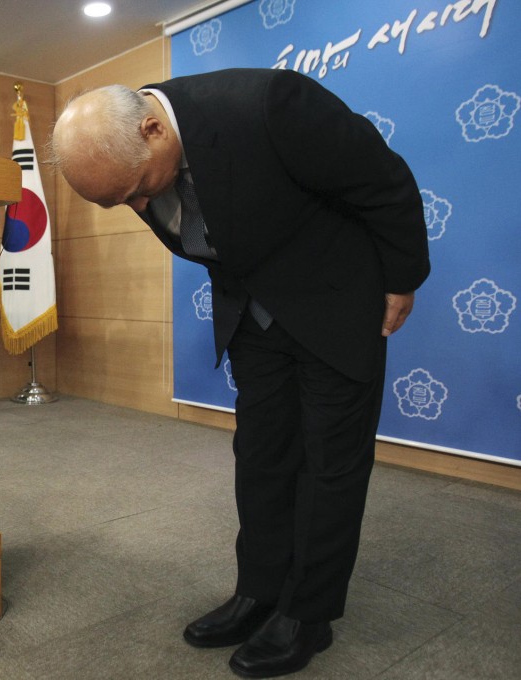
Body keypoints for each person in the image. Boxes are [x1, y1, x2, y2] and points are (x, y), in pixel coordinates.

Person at [50, 69, 430, 677]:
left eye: (136, 188)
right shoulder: (131, 162)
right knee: (261, 456)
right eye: (118, 202)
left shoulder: (268, 104)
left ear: (152, 129)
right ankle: (260, 591)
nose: (139, 205)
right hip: (252, 314)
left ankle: (309, 613)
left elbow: (383, 180)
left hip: (335, 300)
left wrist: (402, 278)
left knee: (329, 463)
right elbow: (207, 219)